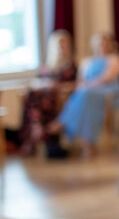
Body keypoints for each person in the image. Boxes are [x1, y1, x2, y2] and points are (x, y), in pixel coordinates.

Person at [51, 32, 119, 159]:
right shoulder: (87, 62)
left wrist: (89, 84)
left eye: (104, 43)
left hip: (107, 92)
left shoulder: (114, 59)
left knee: (85, 94)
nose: (102, 46)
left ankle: (62, 121)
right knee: (85, 98)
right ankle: (87, 146)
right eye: (99, 43)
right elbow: (80, 81)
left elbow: (108, 77)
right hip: (88, 94)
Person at [19, 30, 78, 158]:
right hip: (43, 95)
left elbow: (77, 84)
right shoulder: (47, 66)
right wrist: (45, 84)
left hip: (58, 96)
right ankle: (37, 127)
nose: (61, 48)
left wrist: (58, 86)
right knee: (33, 95)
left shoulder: (72, 66)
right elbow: (35, 81)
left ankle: (35, 133)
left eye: (64, 45)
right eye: (59, 45)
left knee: (41, 98)